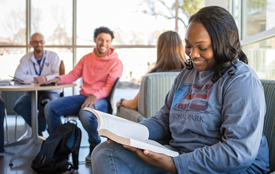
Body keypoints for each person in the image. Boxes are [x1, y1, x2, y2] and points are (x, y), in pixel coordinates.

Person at [91, 6, 270, 174]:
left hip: (231, 167)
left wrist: (176, 165)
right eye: (188, 46)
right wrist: (129, 134)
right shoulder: (187, 75)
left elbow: (237, 151)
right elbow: (164, 119)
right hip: (180, 155)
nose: (193, 54)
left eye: (202, 47)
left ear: (223, 44)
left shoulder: (241, 80)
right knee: (105, 152)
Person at [44, 26, 123, 162]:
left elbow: (108, 87)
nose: (103, 43)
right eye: (100, 40)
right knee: (50, 107)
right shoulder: (86, 58)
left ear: (110, 43)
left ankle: (94, 145)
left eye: (107, 41)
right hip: (83, 97)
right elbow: (73, 75)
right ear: (95, 40)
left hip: (101, 100)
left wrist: (95, 96)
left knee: (85, 113)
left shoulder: (116, 62)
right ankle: (60, 145)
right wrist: (59, 79)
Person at [116, 31, 186, 110]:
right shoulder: (189, 73)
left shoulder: (152, 77)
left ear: (160, 49)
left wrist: (121, 101)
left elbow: (133, 105)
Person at [13, 33, 60, 136]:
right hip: (32, 93)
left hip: (50, 91)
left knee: (48, 105)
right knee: (19, 106)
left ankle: (53, 138)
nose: (39, 44)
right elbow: (17, 76)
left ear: (44, 43)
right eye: (35, 42)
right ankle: (38, 130)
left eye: (41, 41)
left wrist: (45, 79)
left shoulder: (53, 56)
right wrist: (35, 78)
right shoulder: (26, 58)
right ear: (31, 43)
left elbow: (58, 75)